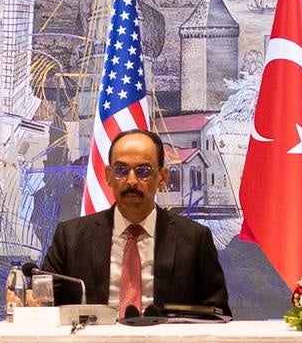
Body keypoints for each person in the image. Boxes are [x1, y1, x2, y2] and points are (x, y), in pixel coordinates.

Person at [36, 126, 226, 315]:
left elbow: (217, 313)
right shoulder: (71, 238)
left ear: (163, 177)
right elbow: (42, 308)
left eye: (143, 171)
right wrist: (28, 305)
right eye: (121, 170)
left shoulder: (194, 239)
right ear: (108, 176)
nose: (131, 181)